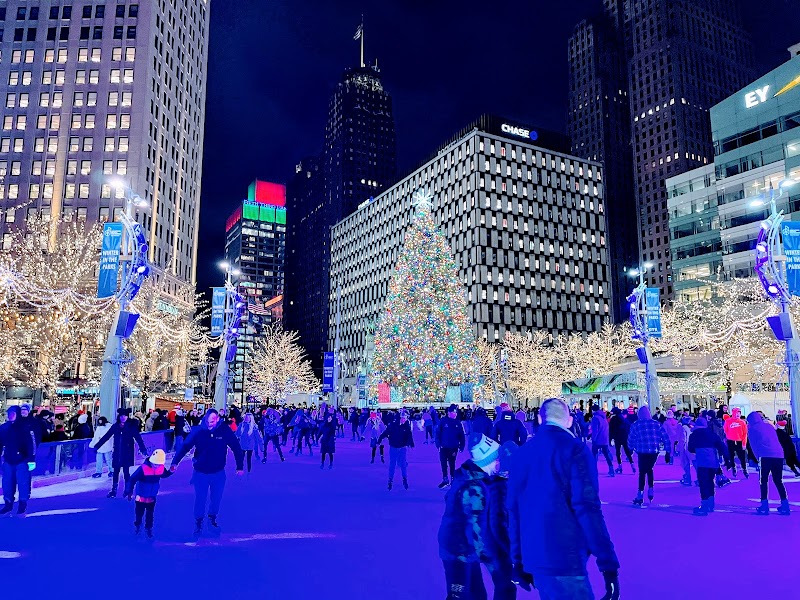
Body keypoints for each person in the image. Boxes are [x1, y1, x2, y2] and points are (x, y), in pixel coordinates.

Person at [507, 398, 619, 600]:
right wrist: (608, 563)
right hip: (566, 555)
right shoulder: (575, 449)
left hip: (535, 554)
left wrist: (518, 560)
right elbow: (587, 507)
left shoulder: (521, 454)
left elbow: (513, 511)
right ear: (569, 421)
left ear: (540, 419)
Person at [438, 433, 516, 600]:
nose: (497, 463)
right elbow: (476, 532)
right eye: (495, 459)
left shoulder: (469, 475)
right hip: (458, 551)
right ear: (487, 461)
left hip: (463, 548)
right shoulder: (474, 488)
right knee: (459, 595)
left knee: (477, 595)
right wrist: (494, 564)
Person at [170, 408, 244, 536]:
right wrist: (175, 462)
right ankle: (198, 522)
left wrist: (240, 466)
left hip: (218, 472)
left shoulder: (224, 430)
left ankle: (212, 519)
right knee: (200, 498)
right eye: (208, 422)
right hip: (200, 472)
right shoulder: (198, 430)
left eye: (212, 422)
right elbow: (185, 446)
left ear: (217, 419)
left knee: (216, 498)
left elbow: (236, 447)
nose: (210, 424)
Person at [93, 408, 148, 498]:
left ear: (127, 417)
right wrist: (97, 446)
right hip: (117, 453)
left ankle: (127, 490)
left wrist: (143, 449)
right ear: (119, 417)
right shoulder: (116, 426)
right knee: (116, 472)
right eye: (122, 416)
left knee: (126, 472)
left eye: (125, 416)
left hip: (127, 453)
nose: (123, 418)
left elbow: (138, 438)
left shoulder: (131, 427)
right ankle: (114, 490)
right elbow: (106, 436)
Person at [123, 449, 173, 538]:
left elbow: (164, 475)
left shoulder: (161, 468)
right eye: (155, 464)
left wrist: (170, 472)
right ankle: (138, 525)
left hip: (152, 496)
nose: (156, 467)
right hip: (141, 496)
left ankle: (148, 528)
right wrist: (129, 491)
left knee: (150, 514)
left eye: (158, 465)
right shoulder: (143, 468)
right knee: (139, 513)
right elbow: (133, 479)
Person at [747, 411, 790, 515]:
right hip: (778, 454)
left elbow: (753, 445)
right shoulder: (769, 426)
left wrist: (757, 459)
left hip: (765, 455)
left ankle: (764, 505)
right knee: (778, 480)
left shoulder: (752, 429)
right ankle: (785, 505)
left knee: (763, 481)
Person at [628, 405, 670, 506]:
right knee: (649, 469)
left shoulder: (636, 425)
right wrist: (668, 451)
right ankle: (650, 489)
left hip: (641, 451)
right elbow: (665, 437)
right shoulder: (656, 424)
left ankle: (640, 494)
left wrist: (630, 449)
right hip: (654, 451)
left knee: (642, 471)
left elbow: (631, 438)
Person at [0, 406, 37, 516]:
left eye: (13, 413)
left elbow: (32, 444)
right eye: (9, 413)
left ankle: (22, 503)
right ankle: (8, 503)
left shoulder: (26, 427)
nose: (10, 416)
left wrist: (31, 459)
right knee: (7, 483)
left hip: (22, 460)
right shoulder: (4, 428)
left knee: (23, 482)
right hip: (8, 460)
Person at [687, 417, 728, 516]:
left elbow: (690, 448)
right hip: (713, 462)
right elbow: (721, 446)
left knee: (703, 483)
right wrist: (727, 459)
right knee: (710, 482)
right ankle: (711, 503)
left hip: (702, 461)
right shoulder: (712, 434)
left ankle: (704, 505)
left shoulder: (694, 434)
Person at [378, 409, 415, 490]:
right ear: (400, 418)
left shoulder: (406, 425)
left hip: (402, 447)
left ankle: (404, 478)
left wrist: (411, 443)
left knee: (403, 464)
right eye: (404, 418)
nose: (405, 420)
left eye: (406, 418)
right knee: (392, 464)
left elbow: (409, 435)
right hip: (393, 447)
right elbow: (385, 433)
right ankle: (390, 480)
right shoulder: (393, 425)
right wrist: (379, 440)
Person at [436, 404, 466, 489]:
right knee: (443, 463)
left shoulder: (458, 423)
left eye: (455, 413)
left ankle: (453, 479)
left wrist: (462, 446)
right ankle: (445, 479)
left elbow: (462, 435)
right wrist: (438, 445)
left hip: (453, 447)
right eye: (453, 412)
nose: (454, 414)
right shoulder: (443, 421)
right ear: (449, 413)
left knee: (452, 463)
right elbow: (438, 434)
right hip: (443, 447)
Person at [724, 407, 749, 478]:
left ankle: (744, 469)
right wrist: (728, 438)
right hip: (730, 441)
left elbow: (745, 434)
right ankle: (733, 468)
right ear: (733, 413)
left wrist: (744, 444)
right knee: (731, 456)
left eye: (739, 413)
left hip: (739, 441)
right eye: (736, 413)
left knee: (742, 457)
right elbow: (725, 430)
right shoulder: (728, 421)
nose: (737, 414)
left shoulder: (742, 422)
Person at [590, 406, 615, 477]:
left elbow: (595, 430)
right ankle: (611, 469)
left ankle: (594, 470)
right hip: (604, 439)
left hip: (598, 439)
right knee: (606, 455)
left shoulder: (595, 418)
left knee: (594, 455)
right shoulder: (603, 417)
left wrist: (593, 439)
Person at [609, 407, 634, 474]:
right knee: (627, 451)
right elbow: (629, 426)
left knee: (618, 452)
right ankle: (632, 465)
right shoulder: (623, 419)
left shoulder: (613, 419)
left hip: (617, 437)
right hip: (625, 437)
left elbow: (611, 430)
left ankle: (620, 467)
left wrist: (610, 439)